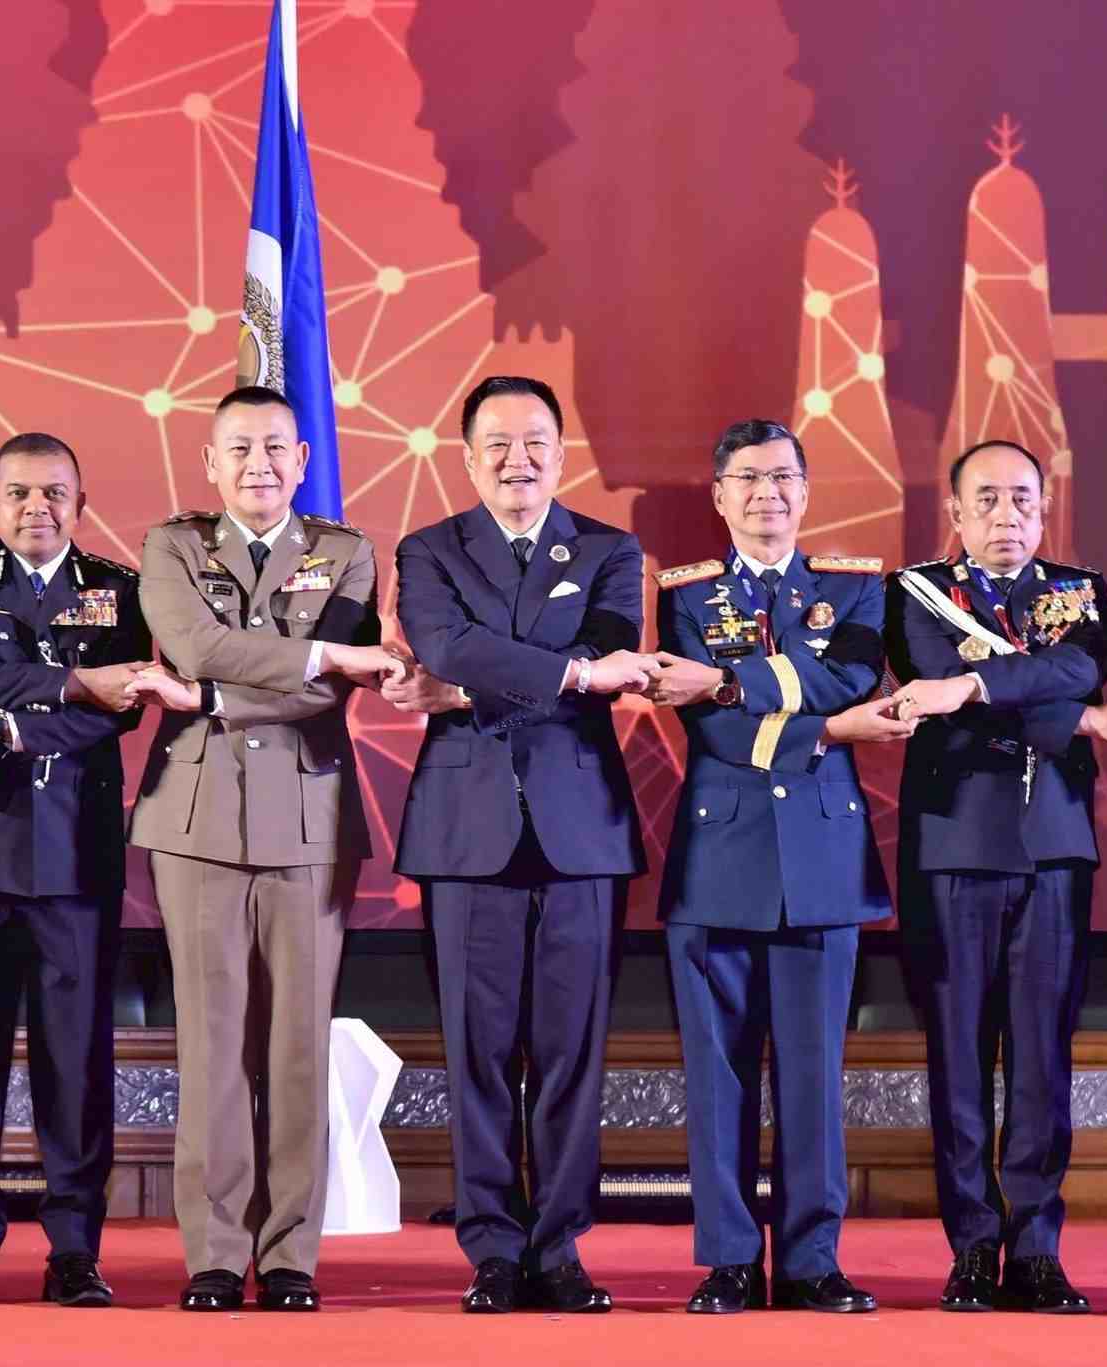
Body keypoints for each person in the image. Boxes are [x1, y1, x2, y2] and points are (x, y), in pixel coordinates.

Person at [123, 385, 406, 1312]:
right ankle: (213, 1249)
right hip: (197, 824)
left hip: (308, 823)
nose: (260, 463)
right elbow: (192, 642)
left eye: (277, 446)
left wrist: (208, 697)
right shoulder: (169, 547)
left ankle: (290, 1254)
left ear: (303, 458)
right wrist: (319, 657)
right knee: (210, 1045)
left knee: (294, 1047)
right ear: (209, 464)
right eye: (239, 447)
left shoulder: (347, 553)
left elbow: (319, 696)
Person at [386, 375, 651, 1313]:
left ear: (561, 448)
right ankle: (493, 1246)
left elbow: (618, 654)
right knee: (479, 1047)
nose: (517, 458)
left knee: (574, 1048)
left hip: (581, 827)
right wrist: (569, 670)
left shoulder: (612, 550)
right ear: (466, 456)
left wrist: (467, 689)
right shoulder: (428, 549)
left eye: (535, 439)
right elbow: (443, 643)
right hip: (467, 828)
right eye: (496, 442)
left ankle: (561, 1245)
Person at [648, 418, 908, 1315]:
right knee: (717, 1071)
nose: (767, 494)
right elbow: (711, 726)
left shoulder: (855, 587)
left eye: (784, 478)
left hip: (823, 857)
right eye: (748, 479)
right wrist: (818, 720)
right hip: (720, 854)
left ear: (806, 489)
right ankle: (727, 1259)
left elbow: (853, 680)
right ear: (719, 495)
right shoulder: (684, 593)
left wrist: (728, 679)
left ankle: (810, 1260)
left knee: (811, 1067)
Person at [0, 432, 151, 1309]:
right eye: (17, 493)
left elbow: (120, 705)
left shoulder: (117, 589)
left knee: (75, 1061)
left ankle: (75, 1248)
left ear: (80, 507)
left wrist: (13, 724)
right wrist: (68, 686)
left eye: (55, 493)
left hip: (78, 855)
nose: (35, 508)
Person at [883, 439, 1107, 1314]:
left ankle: (1039, 1247)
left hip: (1054, 847)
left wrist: (976, 692)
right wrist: (1026, 693)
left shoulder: (1079, 593)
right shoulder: (914, 595)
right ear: (955, 513)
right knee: (959, 1056)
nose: (1006, 516)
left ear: (1044, 504)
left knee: (1041, 1058)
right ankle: (974, 1244)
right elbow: (931, 674)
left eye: (1022, 499)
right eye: (986, 500)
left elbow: (1081, 670)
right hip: (955, 844)